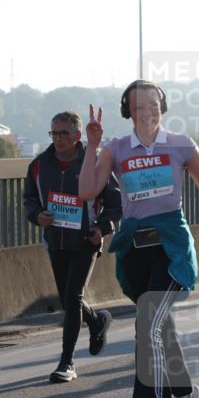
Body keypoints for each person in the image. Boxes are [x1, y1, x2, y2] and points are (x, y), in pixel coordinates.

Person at [79, 80, 199, 398]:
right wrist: (92, 146)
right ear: (128, 111)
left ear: (163, 107)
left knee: (147, 324)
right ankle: (184, 392)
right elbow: (87, 192)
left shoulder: (181, 144)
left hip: (171, 250)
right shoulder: (116, 148)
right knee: (160, 328)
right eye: (139, 106)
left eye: (154, 104)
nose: (148, 111)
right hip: (135, 250)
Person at [24, 111, 121, 382]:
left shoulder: (96, 162)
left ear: (78, 136)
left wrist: (101, 229)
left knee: (73, 296)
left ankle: (67, 362)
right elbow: (30, 199)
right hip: (56, 240)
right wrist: (37, 215)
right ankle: (96, 320)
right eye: (54, 133)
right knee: (68, 299)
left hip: (85, 241)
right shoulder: (39, 165)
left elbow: (115, 204)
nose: (58, 138)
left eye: (63, 133)